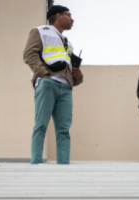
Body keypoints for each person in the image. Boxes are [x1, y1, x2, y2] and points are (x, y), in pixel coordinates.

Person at [23, 5, 83, 164]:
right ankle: (35, 163)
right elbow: (29, 54)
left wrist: (78, 76)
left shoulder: (68, 44)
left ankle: (64, 166)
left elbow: (67, 69)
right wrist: (44, 75)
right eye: (68, 15)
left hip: (65, 88)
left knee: (64, 130)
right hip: (47, 83)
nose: (72, 19)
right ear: (57, 16)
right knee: (41, 125)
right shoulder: (40, 31)